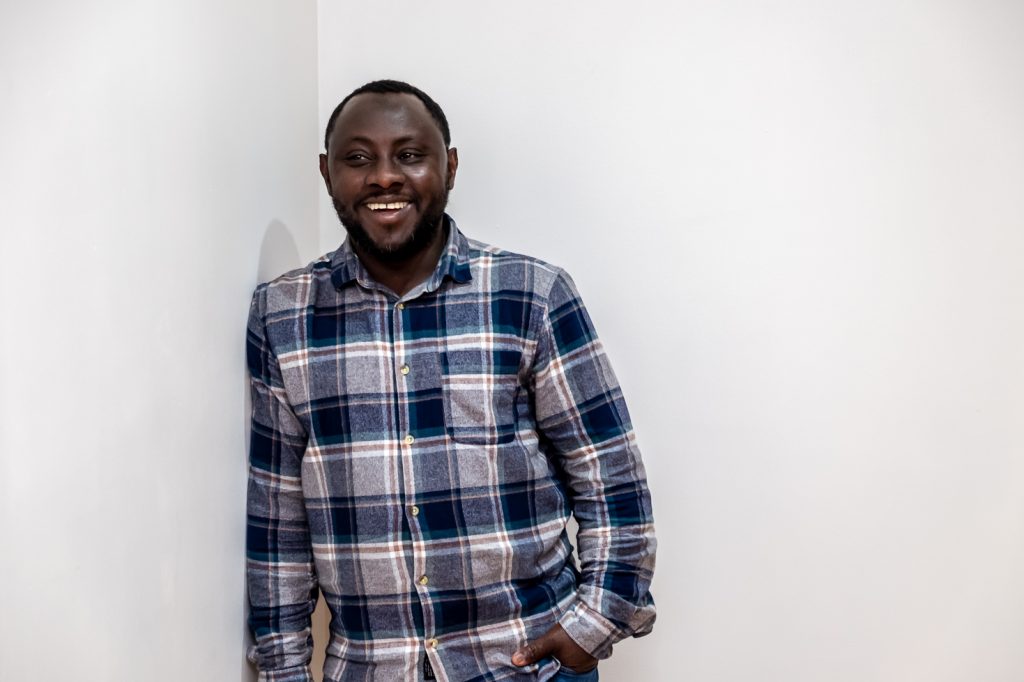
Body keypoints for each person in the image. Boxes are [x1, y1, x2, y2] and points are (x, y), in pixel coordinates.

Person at [246, 79, 656, 682]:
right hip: (370, 668)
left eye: (410, 155)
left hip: (525, 665)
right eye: (357, 159)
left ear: (450, 166)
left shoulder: (532, 295)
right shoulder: (282, 314)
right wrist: (283, 671)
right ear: (327, 173)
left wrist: (593, 625)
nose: (385, 177)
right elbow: (277, 516)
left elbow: (610, 477)